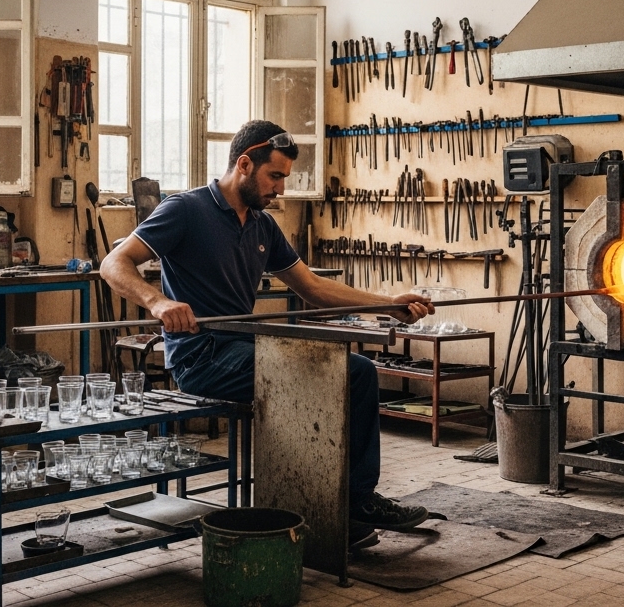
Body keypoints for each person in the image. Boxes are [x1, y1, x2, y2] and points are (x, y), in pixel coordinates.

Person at [101, 119, 435, 546]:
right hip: (201, 358)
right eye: (274, 176)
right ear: (243, 163)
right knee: (349, 373)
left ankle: (339, 511)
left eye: (284, 178)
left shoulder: (262, 225)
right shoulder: (185, 209)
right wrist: (158, 302)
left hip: (245, 346)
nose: (281, 188)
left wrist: (386, 306)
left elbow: (312, 286)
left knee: (358, 370)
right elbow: (114, 264)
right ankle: (351, 507)